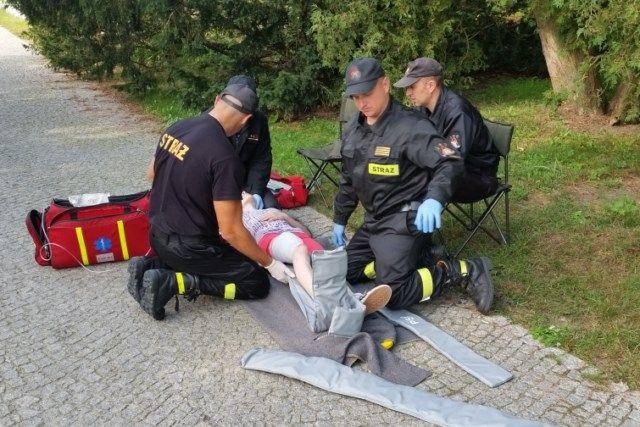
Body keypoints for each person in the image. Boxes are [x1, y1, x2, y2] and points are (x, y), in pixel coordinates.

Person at [331, 57, 494, 313]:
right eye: (355, 97)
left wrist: (434, 199)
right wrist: (340, 217)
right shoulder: (354, 129)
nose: (362, 103)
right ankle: (412, 260)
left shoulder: (411, 126)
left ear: (385, 85)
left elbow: (450, 161)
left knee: (393, 294)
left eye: (367, 94)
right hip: (374, 221)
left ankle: (462, 270)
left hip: (402, 221)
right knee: (344, 272)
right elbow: (349, 178)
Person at [128, 83, 292, 320]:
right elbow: (230, 231)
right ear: (246, 120)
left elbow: (152, 173)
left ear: (217, 100)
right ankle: (174, 281)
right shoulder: (225, 157)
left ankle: (150, 266)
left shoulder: (178, 127)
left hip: (156, 235)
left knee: (229, 257)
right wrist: (269, 263)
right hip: (190, 247)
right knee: (256, 281)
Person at [240, 191, 391, 315]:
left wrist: (285, 217)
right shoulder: (236, 220)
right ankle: (327, 304)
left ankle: (354, 302)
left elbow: (306, 232)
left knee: (326, 261)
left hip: (298, 234)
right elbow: (241, 243)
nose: (244, 193)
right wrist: (267, 263)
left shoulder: (271, 210)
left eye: (245, 192)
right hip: (271, 237)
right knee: (299, 250)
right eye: (240, 195)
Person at [394, 57, 501, 203]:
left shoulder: (458, 112)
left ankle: (414, 215)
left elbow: (452, 160)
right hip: (453, 169)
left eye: (412, 87)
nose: (407, 93)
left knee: (414, 179)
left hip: (478, 176)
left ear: (430, 86)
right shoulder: (423, 107)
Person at [221, 75, 275, 209]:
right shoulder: (212, 119)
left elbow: (262, 159)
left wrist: (255, 194)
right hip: (219, 184)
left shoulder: (259, 120)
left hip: (246, 183)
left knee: (271, 206)